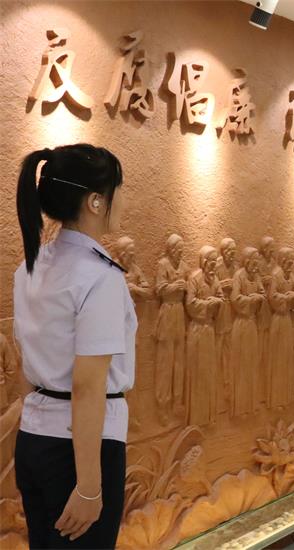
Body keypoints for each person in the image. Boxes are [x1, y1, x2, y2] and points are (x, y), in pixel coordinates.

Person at [13, 144, 135, 548]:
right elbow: (87, 386)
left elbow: (28, 370)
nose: (124, 199)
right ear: (95, 201)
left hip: (34, 440)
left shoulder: (30, 268)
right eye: (119, 189)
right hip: (79, 451)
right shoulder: (100, 277)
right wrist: (88, 487)